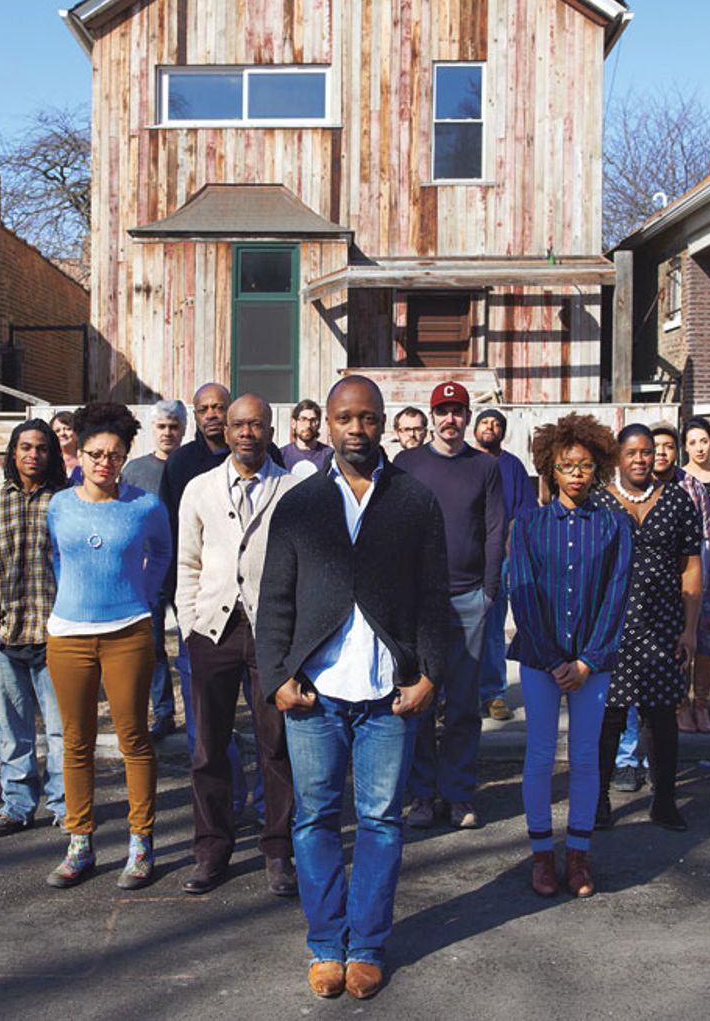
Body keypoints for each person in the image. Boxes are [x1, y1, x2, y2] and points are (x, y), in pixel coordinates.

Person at [256, 375, 449, 1000]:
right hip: (314, 694)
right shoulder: (300, 503)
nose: (356, 429)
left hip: (388, 695)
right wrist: (277, 677)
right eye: (345, 418)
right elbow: (275, 599)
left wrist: (430, 674)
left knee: (381, 822)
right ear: (328, 424)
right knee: (314, 820)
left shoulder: (414, 502)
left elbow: (434, 598)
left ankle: (365, 946)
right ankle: (325, 945)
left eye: (367, 418)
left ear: (383, 423)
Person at [45, 402, 171, 889]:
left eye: (114, 455)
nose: (104, 463)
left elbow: (161, 552)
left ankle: (141, 842)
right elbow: (58, 557)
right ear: (79, 453)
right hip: (68, 636)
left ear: (125, 456)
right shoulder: (59, 505)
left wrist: (145, 592)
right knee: (75, 742)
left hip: (128, 633)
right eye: (95, 454)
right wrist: (70, 596)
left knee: (133, 739)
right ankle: (80, 841)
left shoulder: (146, 506)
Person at [508, 413, 632, 899]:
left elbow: (616, 594)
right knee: (540, 756)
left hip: (591, 663)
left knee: (584, 757)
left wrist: (588, 659)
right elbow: (523, 592)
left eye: (584, 465)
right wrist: (552, 658)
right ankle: (542, 856)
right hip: (541, 660)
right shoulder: (529, 524)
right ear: (550, 469)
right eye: (566, 465)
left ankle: (578, 855)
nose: (576, 474)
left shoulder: (614, 524)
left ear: (599, 467)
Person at [177, 394, 297, 897]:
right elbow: (187, 562)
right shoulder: (199, 489)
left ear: (271, 430)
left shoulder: (292, 488)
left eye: (257, 424)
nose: (248, 433)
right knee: (210, 747)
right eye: (239, 425)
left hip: (273, 634)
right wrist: (190, 623)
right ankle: (212, 849)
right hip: (214, 630)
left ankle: (278, 850)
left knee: (277, 743)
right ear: (225, 432)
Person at [395, 381, 505, 830]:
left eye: (457, 411)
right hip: (418, 603)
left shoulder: (485, 467)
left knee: (462, 705)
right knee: (419, 700)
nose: (450, 419)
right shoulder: (407, 464)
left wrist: (489, 590)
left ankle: (458, 794)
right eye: (443, 411)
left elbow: (495, 529)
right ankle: (422, 795)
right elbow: (394, 527)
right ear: (432, 416)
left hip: (467, 599)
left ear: (467, 417)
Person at [592, 424, 702, 832]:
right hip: (611, 626)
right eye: (632, 452)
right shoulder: (599, 501)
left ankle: (665, 802)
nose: (640, 459)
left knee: (660, 718)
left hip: (663, 624)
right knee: (608, 718)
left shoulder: (677, 500)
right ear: (618, 457)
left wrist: (689, 629)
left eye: (646, 452)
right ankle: (599, 801)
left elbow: (691, 566)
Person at [162, 383, 262, 821]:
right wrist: (186, 617)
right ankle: (227, 805)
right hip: (205, 617)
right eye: (203, 408)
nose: (212, 415)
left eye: (219, 407)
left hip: (257, 618)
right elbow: (178, 544)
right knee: (206, 729)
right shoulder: (182, 465)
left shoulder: (264, 459)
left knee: (270, 724)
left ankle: (268, 807)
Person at [0, 419, 68, 837]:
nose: (33, 454)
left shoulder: (65, 499)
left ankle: (66, 806)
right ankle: (17, 805)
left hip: (56, 637)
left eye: (42, 448)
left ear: (52, 454)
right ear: (13, 452)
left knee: (62, 731)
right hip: (8, 635)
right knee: (13, 729)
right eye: (26, 447)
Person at [122, 399, 188, 741]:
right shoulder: (134, 471)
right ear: (152, 429)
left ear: (183, 430)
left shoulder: (193, 465)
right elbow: (124, 518)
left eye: (174, 427)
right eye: (162, 427)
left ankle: (198, 712)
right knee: (152, 643)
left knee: (193, 644)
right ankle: (163, 713)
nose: (167, 433)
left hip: (189, 566)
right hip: (148, 569)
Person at [652, 421, 710, 736]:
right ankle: (679, 704)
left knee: (701, 638)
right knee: (669, 643)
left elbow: (705, 540)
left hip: (691, 573)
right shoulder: (639, 485)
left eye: (668, 446)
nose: (661, 453)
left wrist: (701, 583)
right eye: (656, 447)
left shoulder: (692, 486)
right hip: (656, 581)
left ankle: (700, 704)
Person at [473, 407, 537, 722]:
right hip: (463, 557)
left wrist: (509, 549)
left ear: (503, 431)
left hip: (498, 559)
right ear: (475, 428)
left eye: (496, 424)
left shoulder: (512, 466)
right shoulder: (464, 461)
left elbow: (525, 512)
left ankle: (493, 693)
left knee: (493, 627)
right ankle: (451, 696)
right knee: (456, 628)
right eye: (485, 422)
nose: (490, 427)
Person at [681, 415, 710, 729]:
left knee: (708, 635)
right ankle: (681, 703)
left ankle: (701, 704)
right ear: (685, 447)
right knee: (684, 631)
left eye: (704, 441)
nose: (699, 448)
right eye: (693, 442)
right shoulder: (679, 479)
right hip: (688, 561)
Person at [280, 399, 333, 473]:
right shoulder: (281, 456)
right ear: (293, 423)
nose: (308, 425)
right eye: (303, 419)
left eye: (313, 420)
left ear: (319, 424)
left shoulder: (330, 456)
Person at [51, 411, 81, 481]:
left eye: (68, 429)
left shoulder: (86, 460)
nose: (62, 433)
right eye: (57, 431)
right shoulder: (49, 462)